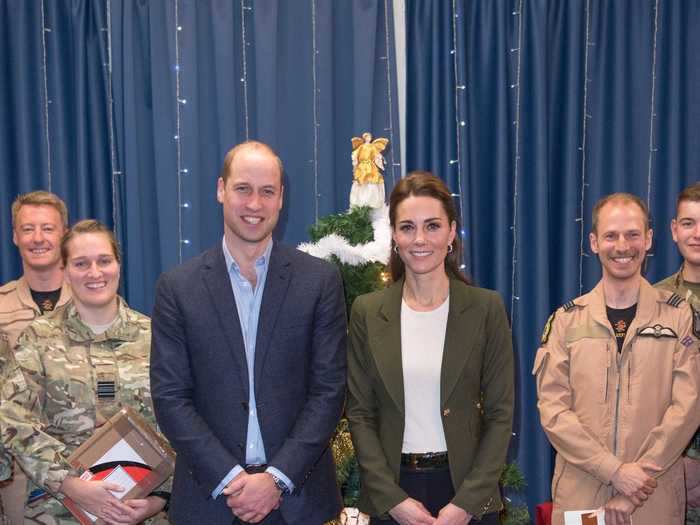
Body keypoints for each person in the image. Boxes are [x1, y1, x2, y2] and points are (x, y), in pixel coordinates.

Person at [149, 141, 347, 524]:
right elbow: (171, 398)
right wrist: (232, 479)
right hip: (211, 501)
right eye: (243, 189)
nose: (254, 204)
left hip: (297, 502)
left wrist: (276, 479)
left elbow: (328, 391)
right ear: (221, 189)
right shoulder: (178, 288)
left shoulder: (319, 282)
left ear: (281, 198)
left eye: (267, 191)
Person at [346, 171, 514, 525]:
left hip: (466, 496)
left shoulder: (486, 308)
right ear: (394, 235)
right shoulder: (367, 311)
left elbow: (501, 416)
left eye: (432, 226)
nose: (419, 239)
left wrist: (465, 504)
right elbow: (360, 414)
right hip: (394, 496)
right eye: (407, 227)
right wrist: (393, 500)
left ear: (451, 232)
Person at [534, 193, 700, 525]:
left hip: (652, 495)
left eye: (632, 234)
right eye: (611, 235)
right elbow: (553, 410)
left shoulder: (679, 316)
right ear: (594, 242)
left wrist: (635, 481)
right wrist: (614, 471)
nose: (622, 246)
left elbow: (687, 407)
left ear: (649, 239)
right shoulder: (567, 321)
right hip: (582, 495)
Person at [0, 219, 169, 525]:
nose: (94, 273)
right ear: (64, 269)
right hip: (57, 512)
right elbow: (11, 420)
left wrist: (159, 500)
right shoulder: (37, 339)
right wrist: (69, 483)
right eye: (81, 263)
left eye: (104, 261)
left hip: (142, 513)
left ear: (118, 264)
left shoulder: (155, 337)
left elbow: (183, 420)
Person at [0, 191, 71, 525]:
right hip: (16, 472)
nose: (38, 238)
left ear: (64, 235)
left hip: (83, 466)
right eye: (28, 229)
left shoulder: (95, 299)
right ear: (15, 236)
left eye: (47, 228)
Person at [654, 181, 700, 525]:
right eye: (688, 223)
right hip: (670, 464)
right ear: (673, 230)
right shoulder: (653, 301)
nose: (697, 234)